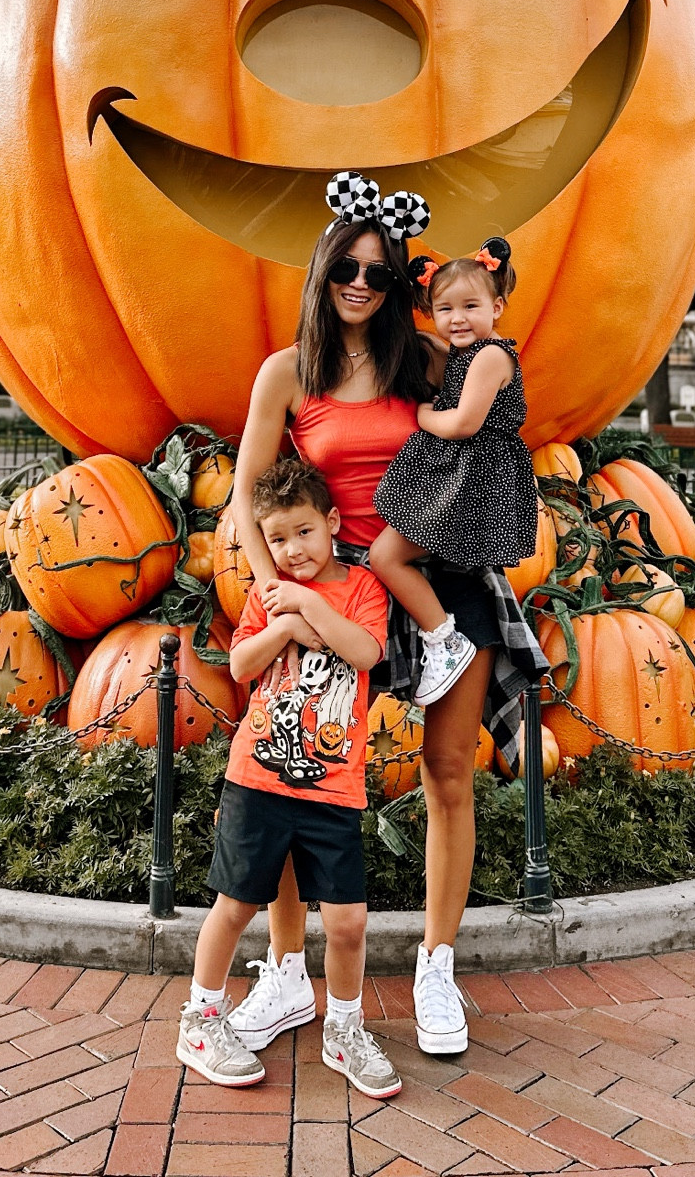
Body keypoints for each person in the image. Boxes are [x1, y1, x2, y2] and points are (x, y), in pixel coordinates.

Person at [225, 171, 547, 1061]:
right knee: (297, 779)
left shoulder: (429, 361)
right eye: (347, 269)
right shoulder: (288, 373)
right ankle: (289, 975)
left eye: (379, 270)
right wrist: (275, 593)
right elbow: (251, 495)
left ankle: (437, 965)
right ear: (325, 274)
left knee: (449, 772)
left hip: (436, 577)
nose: (362, 283)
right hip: (332, 594)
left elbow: (494, 409)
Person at [176, 456, 401, 1100]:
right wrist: (287, 621)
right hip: (259, 777)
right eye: (277, 539)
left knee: (349, 920)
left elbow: (364, 652)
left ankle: (345, 1028)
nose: (292, 550)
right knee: (236, 903)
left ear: (331, 522)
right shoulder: (263, 593)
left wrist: (304, 606)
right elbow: (243, 664)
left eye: (304, 532)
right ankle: (201, 1018)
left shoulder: (361, 588)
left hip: (333, 787)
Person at [370, 239, 540, 707]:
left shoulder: (489, 356)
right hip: (464, 477)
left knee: (386, 556)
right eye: (444, 308)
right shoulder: (463, 355)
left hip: (473, 483)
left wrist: (423, 415)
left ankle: (444, 639)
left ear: (497, 306)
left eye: (470, 305)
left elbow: (464, 423)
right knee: (397, 555)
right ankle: (440, 634)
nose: (457, 318)